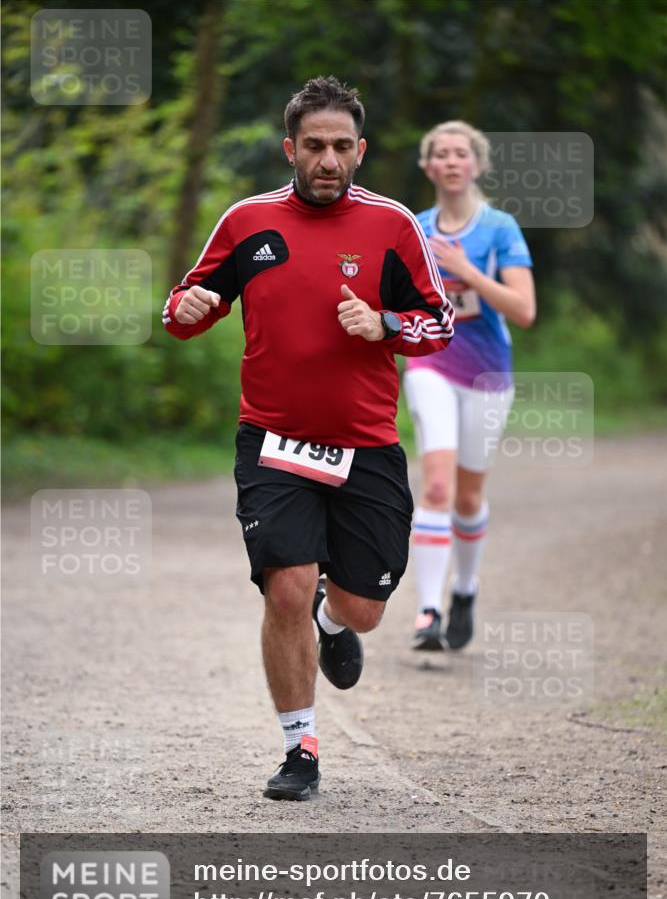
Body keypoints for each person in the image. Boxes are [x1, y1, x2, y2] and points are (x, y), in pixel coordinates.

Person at [163, 77, 455, 800]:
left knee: (363, 610)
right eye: (315, 146)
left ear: (361, 151)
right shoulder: (247, 222)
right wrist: (187, 308)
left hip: (365, 444)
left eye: (341, 147)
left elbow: (440, 323)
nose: (329, 160)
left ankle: (334, 617)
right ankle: (300, 750)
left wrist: (385, 324)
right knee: (286, 587)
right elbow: (187, 307)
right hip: (273, 441)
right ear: (289, 149)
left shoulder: (391, 225)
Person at [403, 121, 536, 652]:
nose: (452, 161)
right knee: (436, 486)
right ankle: (428, 612)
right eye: (441, 153)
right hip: (431, 363)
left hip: (487, 374)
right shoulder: (414, 227)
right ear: (428, 166)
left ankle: (464, 588)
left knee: (468, 494)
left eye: (461, 153)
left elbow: (524, 310)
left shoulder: (499, 228)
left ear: (476, 165)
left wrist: (466, 272)